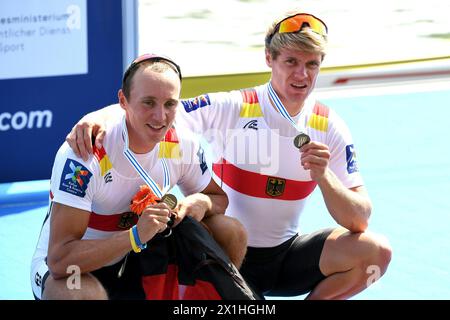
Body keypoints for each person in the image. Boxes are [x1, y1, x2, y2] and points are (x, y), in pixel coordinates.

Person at [66, 11, 392, 299]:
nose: (301, 75)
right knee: (226, 229)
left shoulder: (329, 125)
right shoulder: (236, 106)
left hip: (284, 256)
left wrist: (325, 177)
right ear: (269, 59)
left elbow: (359, 218)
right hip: (226, 252)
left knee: (375, 253)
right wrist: (100, 116)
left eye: (311, 64)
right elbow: (156, 110)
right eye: (291, 61)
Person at [30, 54, 248, 300]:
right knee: (80, 294)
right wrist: (134, 236)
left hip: (133, 256)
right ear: (123, 101)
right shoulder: (84, 154)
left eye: (169, 104)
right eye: (148, 103)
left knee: (230, 232)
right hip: (75, 268)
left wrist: (201, 202)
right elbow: (60, 259)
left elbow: (217, 198)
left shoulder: (183, 143)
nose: (160, 117)